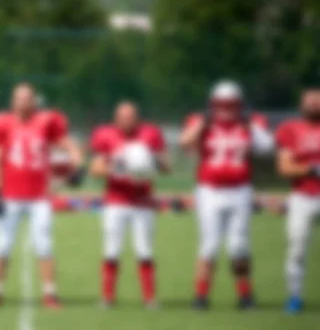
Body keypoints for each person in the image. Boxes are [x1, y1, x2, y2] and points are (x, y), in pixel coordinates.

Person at [0, 83, 83, 309]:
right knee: (2, 245)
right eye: (19, 98)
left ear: (35, 100)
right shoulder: (2, 124)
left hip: (39, 197)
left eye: (27, 98)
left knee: (44, 245)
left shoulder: (46, 121)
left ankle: (50, 293)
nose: (23, 102)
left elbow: (68, 144)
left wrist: (76, 162)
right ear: (12, 101)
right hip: (10, 194)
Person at [179, 80, 274, 310]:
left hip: (240, 189)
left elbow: (268, 146)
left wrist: (251, 124)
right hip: (209, 190)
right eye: (221, 104)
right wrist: (203, 123)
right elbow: (185, 142)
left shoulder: (251, 123)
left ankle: (245, 294)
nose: (226, 109)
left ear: (240, 104)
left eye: (231, 104)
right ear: (212, 104)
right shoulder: (200, 122)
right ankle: (201, 296)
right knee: (209, 245)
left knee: (239, 246)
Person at [90, 101, 170, 308]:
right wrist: (118, 168)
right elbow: (95, 169)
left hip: (143, 200)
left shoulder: (150, 134)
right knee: (111, 249)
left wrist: (149, 163)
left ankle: (150, 298)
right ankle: (107, 298)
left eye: (131, 116)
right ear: (115, 119)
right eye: (122, 117)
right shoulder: (105, 134)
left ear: (138, 118)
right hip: (115, 200)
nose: (127, 121)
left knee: (145, 250)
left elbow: (167, 167)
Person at [275, 89, 320, 314]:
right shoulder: (291, 129)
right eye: (309, 101)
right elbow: (284, 167)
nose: (313, 105)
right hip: (302, 195)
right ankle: (294, 296)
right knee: (297, 248)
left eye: (317, 101)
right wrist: (311, 169)